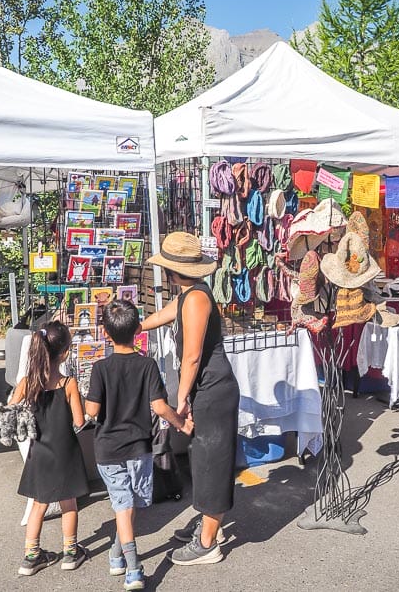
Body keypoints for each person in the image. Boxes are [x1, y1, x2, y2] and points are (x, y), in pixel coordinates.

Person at [142, 232, 240, 566]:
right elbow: (161, 317)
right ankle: (209, 523)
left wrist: (181, 399)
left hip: (212, 388)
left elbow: (193, 357)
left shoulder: (197, 298)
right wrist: (126, 327)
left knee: (212, 461)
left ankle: (209, 542)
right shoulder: (188, 293)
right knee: (202, 458)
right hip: (206, 388)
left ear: (174, 271)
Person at [84, 300, 193, 591]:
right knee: (128, 504)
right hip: (139, 448)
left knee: (125, 505)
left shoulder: (100, 368)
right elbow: (159, 407)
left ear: (106, 333)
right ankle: (133, 569)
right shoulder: (147, 365)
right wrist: (181, 423)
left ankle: (117, 554)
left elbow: (92, 411)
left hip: (108, 449)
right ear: (137, 330)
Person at [8, 321, 89, 576]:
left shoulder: (27, 383)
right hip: (65, 452)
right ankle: (71, 552)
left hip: (39, 452)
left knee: (38, 506)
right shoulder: (69, 384)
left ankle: (31, 557)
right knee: (69, 504)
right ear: (65, 352)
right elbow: (79, 421)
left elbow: (11, 406)